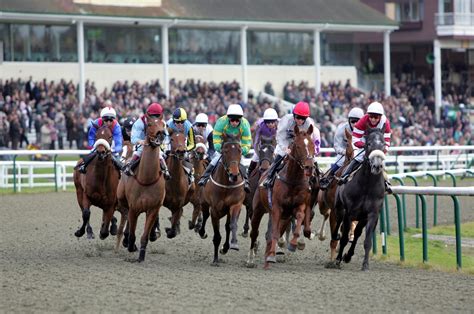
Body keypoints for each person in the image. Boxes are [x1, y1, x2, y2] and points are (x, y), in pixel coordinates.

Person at [262, 101, 321, 188]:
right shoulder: (285, 121)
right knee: (280, 154)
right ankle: (269, 176)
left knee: (312, 158)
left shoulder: (309, 123)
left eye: (303, 118)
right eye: (298, 117)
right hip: (286, 141)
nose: (300, 121)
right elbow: (280, 137)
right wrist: (285, 148)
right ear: (293, 115)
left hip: (300, 143)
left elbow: (308, 139)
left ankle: (318, 177)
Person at [338, 101, 392, 193]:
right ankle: (345, 175)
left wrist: (382, 152)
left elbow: (386, 141)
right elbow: (355, 139)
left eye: (376, 117)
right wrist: (365, 146)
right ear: (368, 115)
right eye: (371, 116)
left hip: (378, 143)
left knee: (379, 159)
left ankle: (386, 182)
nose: (373, 119)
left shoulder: (385, 122)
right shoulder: (362, 121)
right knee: (359, 157)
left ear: (380, 117)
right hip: (364, 140)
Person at [197, 104, 252, 192]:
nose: (234, 123)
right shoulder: (221, 121)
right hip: (224, 145)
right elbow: (216, 136)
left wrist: (243, 150)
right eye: (232, 120)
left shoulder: (245, 124)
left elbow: (247, 141)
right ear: (228, 118)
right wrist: (219, 148)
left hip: (237, 146)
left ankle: (246, 182)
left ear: (240, 119)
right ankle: (204, 178)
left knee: (241, 161)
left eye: (237, 120)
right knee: (215, 159)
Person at [319, 107, 364, 190]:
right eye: (353, 121)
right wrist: (345, 152)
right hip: (344, 153)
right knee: (339, 163)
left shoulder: (365, 130)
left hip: (359, 153)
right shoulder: (341, 129)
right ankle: (328, 178)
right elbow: (336, 146)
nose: (355, 124)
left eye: (358, 121)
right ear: (349, 121)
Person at [122, 103, 171, 179]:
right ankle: (129, 167)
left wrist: (164, 146)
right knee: (138, 152)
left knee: (160, 154)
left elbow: (166, 138)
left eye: (157, 116)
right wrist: (141, 141)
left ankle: (165, 170)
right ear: (147, 115)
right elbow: (133, 139)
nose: (155, 118)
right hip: (142, 144)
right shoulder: (139, 123)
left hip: (156, 144)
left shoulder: (162, 123)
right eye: (152, 116)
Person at [76, 107, 123, 174]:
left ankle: (121, 173)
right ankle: (83, 166)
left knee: (118, 160)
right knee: (91, 155)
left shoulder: (116, 126)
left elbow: (118, 142)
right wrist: (93, 146)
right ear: (102, 119)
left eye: (111, 120)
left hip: (111, 146)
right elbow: (91, 136)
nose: (109, 122)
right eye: (106, 120)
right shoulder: (96, 123)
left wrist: (114, 150)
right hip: (98, 145)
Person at [166, 108, 196, 184]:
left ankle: (190, 176)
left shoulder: (189, 126)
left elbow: (192, 144)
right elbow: (164, 140)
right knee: (162, 157)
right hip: (170, 144)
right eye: (177, 122)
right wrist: (166, 149)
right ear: (173, 120)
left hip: (183, 144)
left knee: (186, 159)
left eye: (182, 122)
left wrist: (186, 149)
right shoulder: (168, 124)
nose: (180, 124)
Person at [246, 108, 279, 177]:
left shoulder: (280, 125)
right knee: (254, 158)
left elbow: (281, 139)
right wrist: (259, 153)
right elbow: (256, 142)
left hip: (275, 145)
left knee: (280, 158)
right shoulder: (260, 126)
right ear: (264, 122)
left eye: (272, 122)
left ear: (275, 121)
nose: (270, 124)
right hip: (263, 145)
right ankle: (248, 175)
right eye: (268, 122)